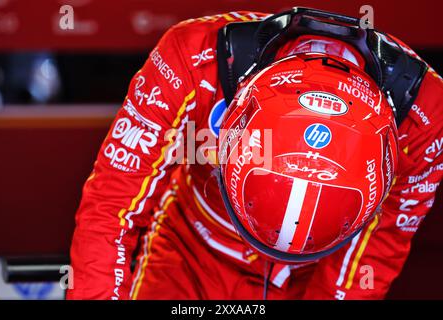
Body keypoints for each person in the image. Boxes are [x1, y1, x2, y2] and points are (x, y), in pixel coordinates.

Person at [67, 8, 443, 300]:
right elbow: (111, 205)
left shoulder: (428, 117)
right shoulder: (191, 57)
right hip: (188, 253)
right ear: (232, 125)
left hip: (312, 275)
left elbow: (374, 250)